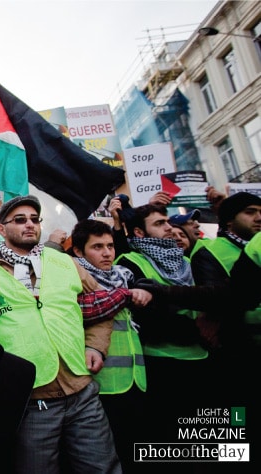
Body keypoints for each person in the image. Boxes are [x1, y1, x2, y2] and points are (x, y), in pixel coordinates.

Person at [0, 195, 121, 473]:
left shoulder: (63, 261)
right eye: (19, 220)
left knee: (102, 467)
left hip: (82, 391)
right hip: (32, 400)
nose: (29, 224)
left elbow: (103, 303)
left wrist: (96, 347)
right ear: (1, 230)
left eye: (34, 219)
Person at [115, 204, 208, 443]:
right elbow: (146, 315)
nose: (168, 228)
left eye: (168, 222)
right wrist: (194, 319)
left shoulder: (187, 261)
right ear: (138, 233)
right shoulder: (129, 262)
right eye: (159, 223)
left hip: (201, 357)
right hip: (160, 361)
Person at [70, 219, 153, 473]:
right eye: (97, 247)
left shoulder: (125, 278)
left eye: (110, 246)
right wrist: (126, 296)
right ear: (78, 251)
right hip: (100, 385)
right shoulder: (74, 280)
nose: (107, 253)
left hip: (135, 380)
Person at [189, 191, 261, 404]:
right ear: (229, 220)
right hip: (240, 354)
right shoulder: (210, 251)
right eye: (250, 212)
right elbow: (218, 301)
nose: (259, 218)